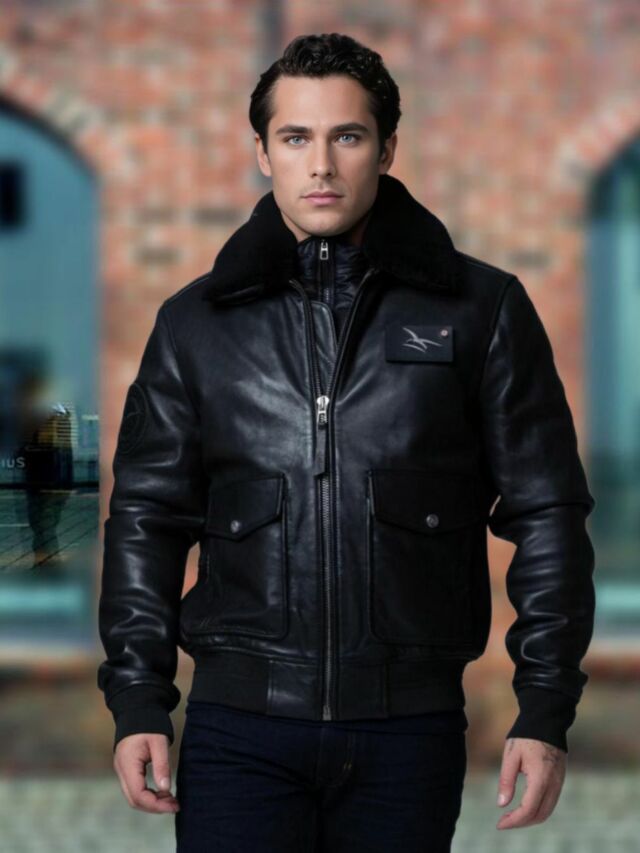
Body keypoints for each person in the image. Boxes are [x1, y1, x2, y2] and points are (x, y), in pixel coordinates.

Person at [97, 32, 596, 852]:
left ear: (387, 148)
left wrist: (545, 708)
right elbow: (147, 518)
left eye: (348, 136)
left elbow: (547, 513)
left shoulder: (483, 309)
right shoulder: (194, 325)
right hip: (238, 730)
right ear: (263, 152)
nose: (321, 165)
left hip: (409, 731)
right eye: (296, 137)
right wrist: (138, 699)